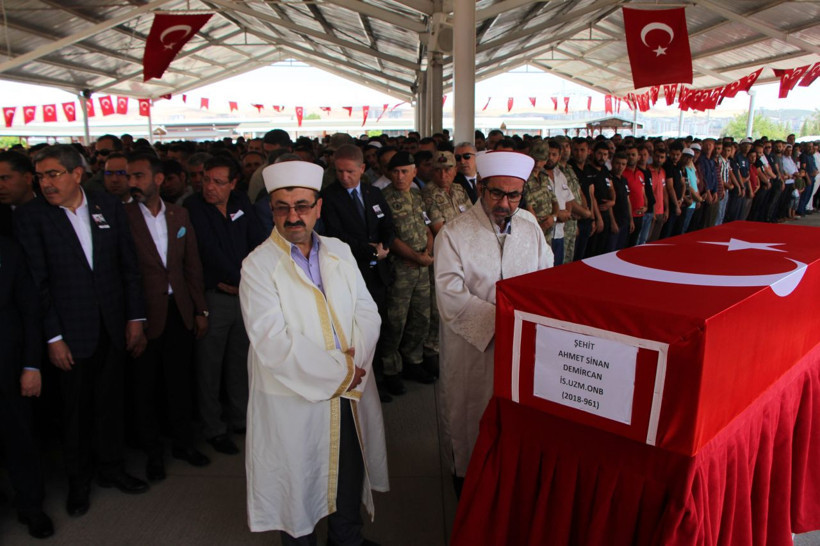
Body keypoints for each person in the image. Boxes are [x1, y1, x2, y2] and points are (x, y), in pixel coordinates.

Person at [240, 160, 388, 545]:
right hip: (295, 394)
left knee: (349, 470)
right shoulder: (258, 266)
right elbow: (272, 341)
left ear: (318, 207)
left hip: (350, 388)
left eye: (302, 205)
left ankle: (346, 539)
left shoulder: (338, 250)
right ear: (270, 210)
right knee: (299, 476)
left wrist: (355, 366)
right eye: (282, 208)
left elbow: (366, 309)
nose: (293, 216)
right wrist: (341, 371)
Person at [15, 144, 149, 518]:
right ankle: (79, 482)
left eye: (53, 174)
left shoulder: (107, 206)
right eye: (40, 176)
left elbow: (128, 267)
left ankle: (112, 468)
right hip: (70, 334)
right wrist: (53, 337)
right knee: (74, 413)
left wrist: (135, 317)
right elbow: (36, 284)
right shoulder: (32, 217)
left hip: (111, 324)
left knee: (110, 403)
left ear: (77, 174)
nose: (46, 183)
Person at [435, 151, 553, 496]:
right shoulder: (454, 234)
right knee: (469, 410)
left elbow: (547, 278)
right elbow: (450, 297)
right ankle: (467, 478)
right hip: (472, 346)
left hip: (521, 344)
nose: (504, 203)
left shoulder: (530, 227)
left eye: (513, 195)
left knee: (516, 415)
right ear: (481, 188)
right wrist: (503, 323)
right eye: (496, 193)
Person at [124, 153, 211, 481]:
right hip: (144, 313)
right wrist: (131, 319)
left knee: (179, 382)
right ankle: (152, 453)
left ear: (157, 179)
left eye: (138, 176)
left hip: (180, 311)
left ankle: (183, 443)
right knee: (145, 387)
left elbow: (192, 266)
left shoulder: (179, 214)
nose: (132, 182)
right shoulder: (124, 217)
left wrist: (200, 309)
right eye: (129, 177)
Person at [185, 155, 266, 455]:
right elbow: (206, 251)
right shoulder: (193, 208)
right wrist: (237, 277)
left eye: (218, 182)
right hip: (214, 297)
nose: (209, 187)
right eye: (206, 179)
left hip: (244, 294)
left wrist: (248, 279)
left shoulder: (241, 203)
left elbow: (259, 242)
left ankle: (240, 417)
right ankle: (213, 427)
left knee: (240, 361)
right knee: (209, 366)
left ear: (233, 183)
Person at [320, 144, 395, 402]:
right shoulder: (329, 197)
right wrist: (370, 251)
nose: (344, 177)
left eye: (350, 171)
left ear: (362, 169)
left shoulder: (373, 192)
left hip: (379, 272)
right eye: (339, 171)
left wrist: (385, 246)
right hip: (351, 271)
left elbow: (388, 223)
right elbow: (335, 234)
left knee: (379, 327)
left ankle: (381, 380)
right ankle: (357, 378)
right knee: (355, 331)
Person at [0, 235, 54, 538]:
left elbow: (30, 312)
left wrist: (32, 366)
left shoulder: (9, 249)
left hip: (9, 368)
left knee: (20, 438)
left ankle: (31, 506)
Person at [379, 152, 436, 395]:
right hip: (401, 269)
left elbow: (427, 227)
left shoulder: (417, 195)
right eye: (396, 172)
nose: (400, 176)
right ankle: (391, 369)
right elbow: (388, 236)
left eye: (405, 171)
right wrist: (415, 257)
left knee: (421, 317)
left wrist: (427, 253)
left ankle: (413, 360)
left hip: (422, 268)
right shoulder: (383, 199)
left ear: (414, 172)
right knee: (396, 321)